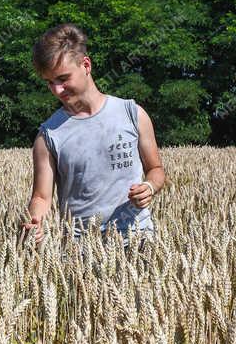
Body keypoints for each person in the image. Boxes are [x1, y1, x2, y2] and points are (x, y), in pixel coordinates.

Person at [22, 23, 165, 243]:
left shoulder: (132, 114)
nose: (57, 90)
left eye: (62, 78)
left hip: (139, 241)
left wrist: (149, 186)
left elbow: (155, 169)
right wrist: (35, 222)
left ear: (86, 65)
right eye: (49, 82)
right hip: (79, 254)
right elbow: (41, 197)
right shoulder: (48, 135)